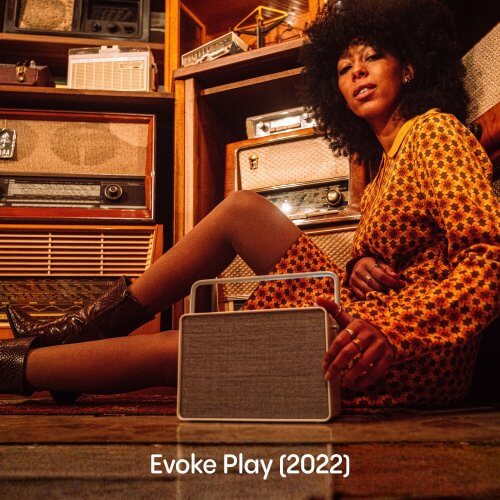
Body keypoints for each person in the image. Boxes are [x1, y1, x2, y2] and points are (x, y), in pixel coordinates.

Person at [1, 0, 498, 409]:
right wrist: (361, 263)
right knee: (242, 209)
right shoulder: (385, 164)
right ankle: (77, 331)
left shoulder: (436, 132)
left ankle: (19, 365)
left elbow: (488, 259)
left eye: (373, 58)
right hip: (365, 317)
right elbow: (414, 251)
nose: (358, 73)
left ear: (408, 67)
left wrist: (393, 331)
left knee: (199, 342)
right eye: (345, 69)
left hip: (409, 350)